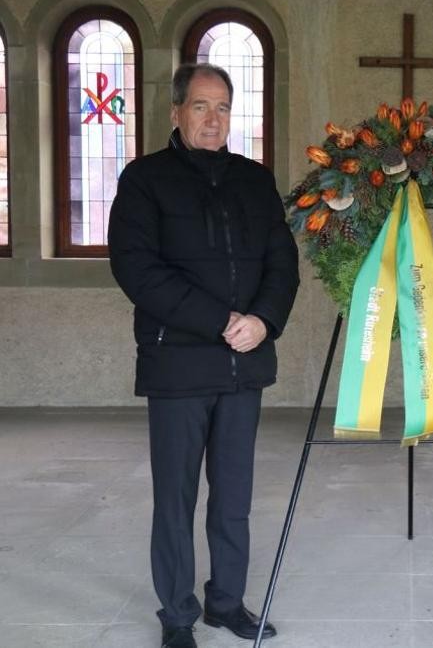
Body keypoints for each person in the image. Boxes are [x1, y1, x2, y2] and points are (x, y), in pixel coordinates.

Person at [108, 63, 300, 648]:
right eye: (200, 106)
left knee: (234, 496)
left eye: (222, 107)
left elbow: (281, 263)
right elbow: (138, 269)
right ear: (175, 112)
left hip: (244, 365)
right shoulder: (145, 180)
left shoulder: (254, 179)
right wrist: (221, 321)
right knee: (176, 498)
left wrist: (263, 321)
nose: (213, 118)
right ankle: (176, 615)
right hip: (178, 366)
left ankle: (226, 602)